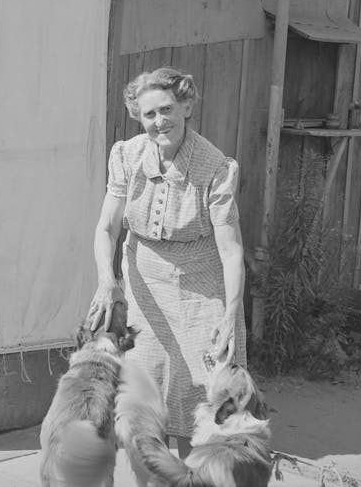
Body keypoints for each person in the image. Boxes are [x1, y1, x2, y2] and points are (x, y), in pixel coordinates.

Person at [88, 66, 246, 457]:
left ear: (186, 105)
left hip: (201, 290)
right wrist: (107, 281)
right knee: (147, 398)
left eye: (167, 109)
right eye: (149, 115)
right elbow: (107, 228)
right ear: (139, 118)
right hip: (145, 288)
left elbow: (231, 251)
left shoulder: (214, 167)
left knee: (204, 401)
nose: (160, 122)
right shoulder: (127, 156)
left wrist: (230, 314)